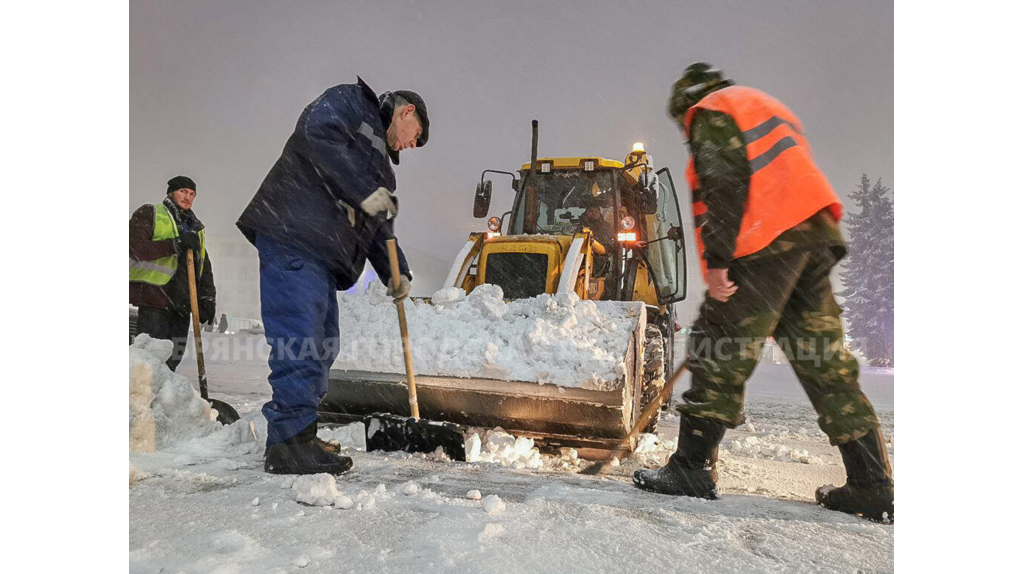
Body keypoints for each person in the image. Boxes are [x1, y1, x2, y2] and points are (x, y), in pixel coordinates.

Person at [633, 63, 894, 523]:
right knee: (824, 359)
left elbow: (725, 183)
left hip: (763, 239)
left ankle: (692, 469)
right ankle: (873, 484)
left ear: (685, 105)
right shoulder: (759, 104)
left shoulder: (711, 112)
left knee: (718, 347)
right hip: (813, 236)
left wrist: (718, 264)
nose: (685, 129)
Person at [237, 77, 429, 475]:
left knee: (323, 346)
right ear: (406, 111)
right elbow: (316, 135)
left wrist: (398, 271)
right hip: (294, 234)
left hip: (324, 256)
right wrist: (365, 191)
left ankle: (300, 432)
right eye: (416, 136)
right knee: (300, 341)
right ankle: (289, 446)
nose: (411, 145)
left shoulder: (381, 172)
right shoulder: (351, 102)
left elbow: (378, 229)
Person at [130, 176, 217, 371]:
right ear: (171, 192)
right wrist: (174, 244)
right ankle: (144, 399)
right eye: (183, 191)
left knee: (173, 360)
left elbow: (203, 265)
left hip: (183, 304)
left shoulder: (196, 229)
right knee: (149, 360)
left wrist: (208, 297)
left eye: (192, 194)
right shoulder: (151, 213)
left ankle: (168, 400)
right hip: (155, 300)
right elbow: (135, 248)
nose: (188, 197)